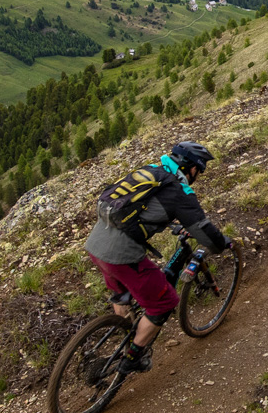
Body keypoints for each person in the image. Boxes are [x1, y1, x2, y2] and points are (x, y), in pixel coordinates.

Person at [83, 140, 230, 372]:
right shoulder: (179, 191)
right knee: (164, 302)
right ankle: (133, 358)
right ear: (191, 168)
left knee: (122, 295)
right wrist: (221, 243)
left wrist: (169, 221)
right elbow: (203, 229)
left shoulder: (151, 171)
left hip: (96, 244)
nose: (198, 176)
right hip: (121, 255)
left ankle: (126, 330)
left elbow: (141, 205)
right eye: (199, 171)